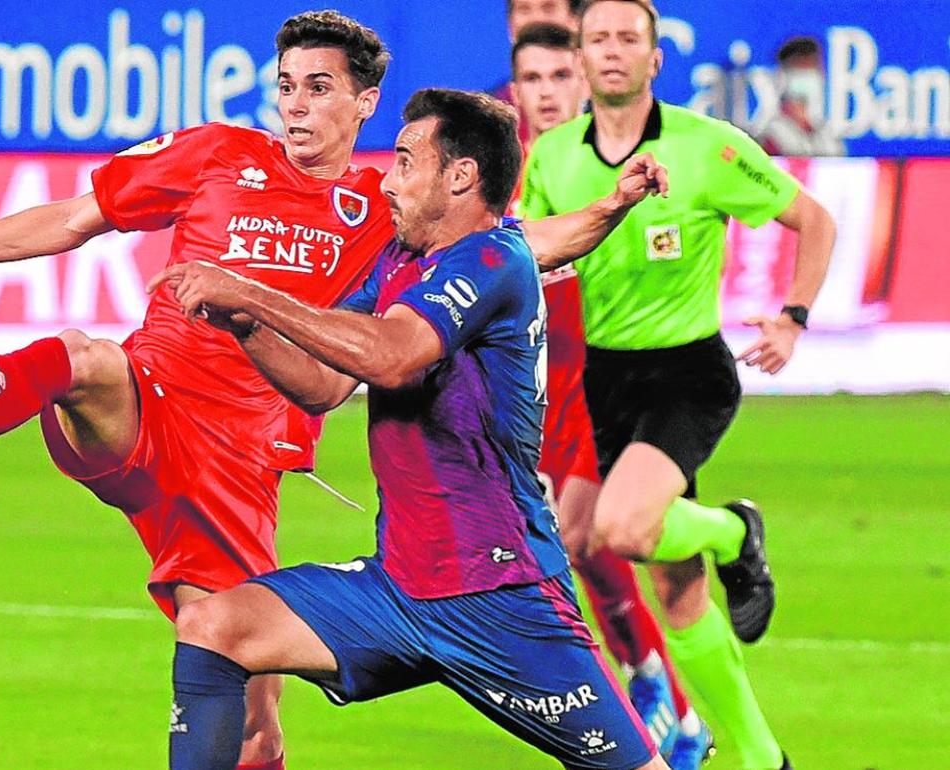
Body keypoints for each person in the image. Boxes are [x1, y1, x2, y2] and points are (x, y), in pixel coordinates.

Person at [0, 10, 666, 768]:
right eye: (284, 84)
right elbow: (72, 217)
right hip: (146, 407)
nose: (293, 103)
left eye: (317, 87)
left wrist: (610, 209)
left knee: (246, 706)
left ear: (364, 102)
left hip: (239, 471)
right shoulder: (217, 155)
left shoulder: (389, 213)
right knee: (81, 357)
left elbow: (513, 245)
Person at [149, 87, 669, 770]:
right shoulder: (400, 262)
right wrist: (246, 327)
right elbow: (324, 384)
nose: (387, 180)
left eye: (403, 162)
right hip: (399, 589)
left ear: (460, 176)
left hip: (503, 600)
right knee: (214, 627)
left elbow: (392, 359)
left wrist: (248, 291)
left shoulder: (492, 261)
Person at [520, 2, 837, 769]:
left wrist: (791, 318)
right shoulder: (555, 158)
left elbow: (816, 220)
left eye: (630, 38)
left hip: (687, 372)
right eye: (600, 38)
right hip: (602, 379)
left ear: (656, 59)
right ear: (584, 55)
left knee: (617, 531)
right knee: (676, 585)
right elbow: (521, 247)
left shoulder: (708, 147)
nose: (614, 50)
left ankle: (734, 531)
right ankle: (764, 759)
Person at [509, 22, 712, 769]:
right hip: (550, 394)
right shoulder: (517, 172)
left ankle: (655, 710)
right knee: (585, 553)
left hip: (607, 387)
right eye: (534, 80)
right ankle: (658, 700)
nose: (550, 93)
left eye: (562, 76)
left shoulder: (609, 167)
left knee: (577, 544)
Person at [494, 0, 583, 146]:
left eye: (548, 8)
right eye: (532, 78)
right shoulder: (492, 124)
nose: (536, 20)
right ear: (515, 92)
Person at [755, 36, 846, 157]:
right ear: (783, 76)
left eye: (813, 66)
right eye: (801, 67)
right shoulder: (772, 136)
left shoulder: (827, 137)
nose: (809, 73)